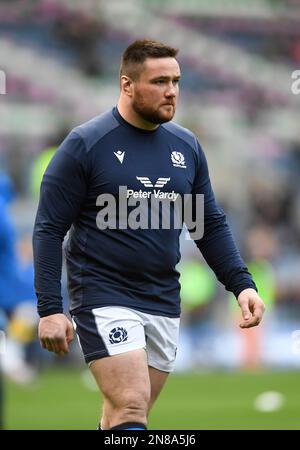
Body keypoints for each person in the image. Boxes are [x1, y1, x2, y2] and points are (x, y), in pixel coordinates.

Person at [33, 39, 265, 430]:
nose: (171, 91)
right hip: (103, 295)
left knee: (118, 419)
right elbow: (48, 228)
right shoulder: (85, 144)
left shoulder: (186, 146)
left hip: (162, 299)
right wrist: (50, 309)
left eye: (176, 81)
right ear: (127, 85)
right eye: (159, 81)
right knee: (131, 407)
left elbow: (208, 223)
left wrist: (242, 285)